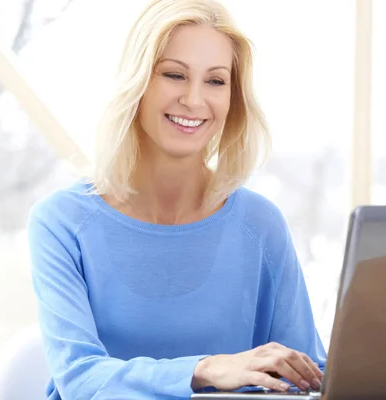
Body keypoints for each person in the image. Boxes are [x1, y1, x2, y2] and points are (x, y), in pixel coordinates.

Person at [27, 0, 327, 398]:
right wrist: (205, 369)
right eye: (174, 74)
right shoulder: (62, 222)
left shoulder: (260, 224)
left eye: (216, 81)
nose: (193, 99)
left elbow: (306, 373)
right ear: (137, 82)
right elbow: (80, 379)